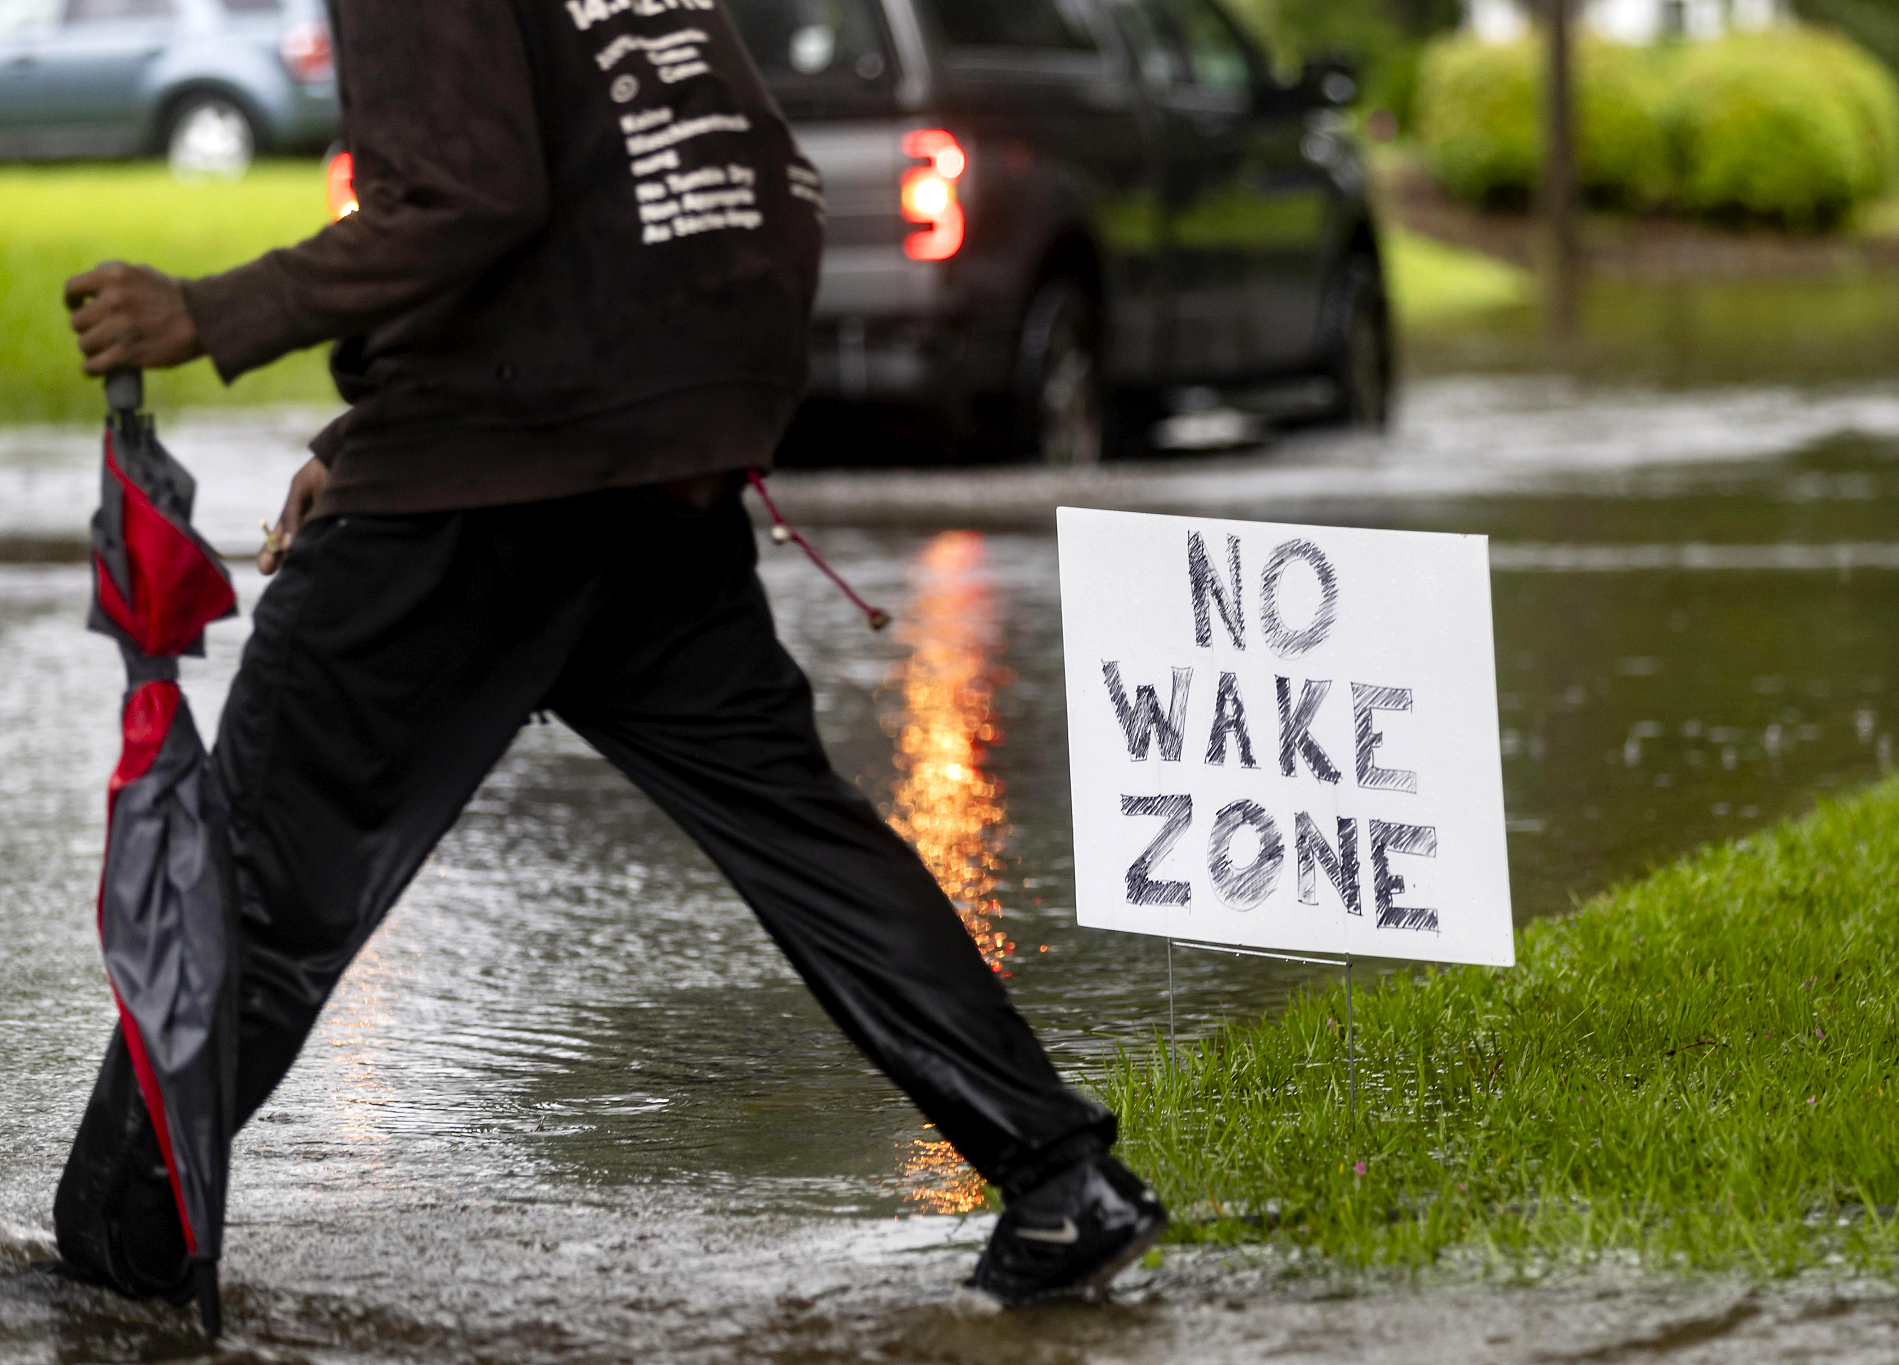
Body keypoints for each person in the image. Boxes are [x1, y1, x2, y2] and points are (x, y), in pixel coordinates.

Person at [53, 0, 1163, 1309]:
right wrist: (388, 442)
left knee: (253, 876)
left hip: (484, 495)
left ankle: (118, 1262)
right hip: (657, 480)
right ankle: (1057, 1173)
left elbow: (471, 198)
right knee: (805, 839)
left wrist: (210, 310)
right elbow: (752, 190)